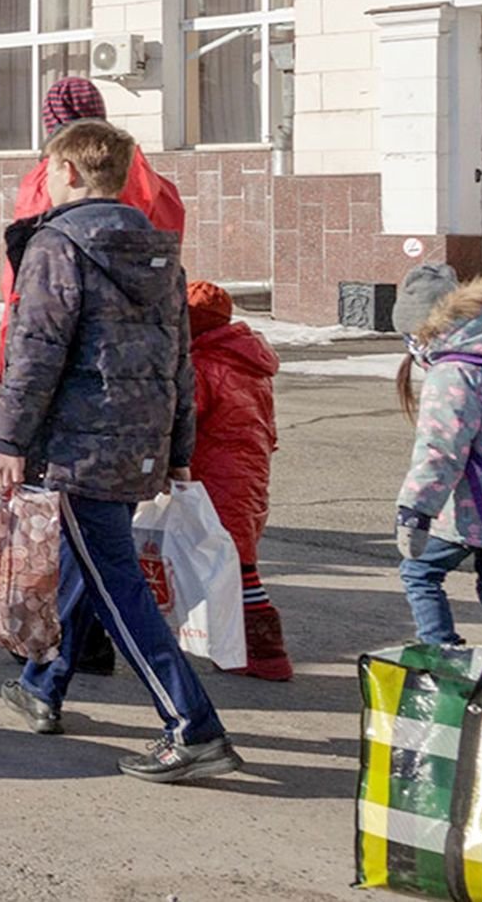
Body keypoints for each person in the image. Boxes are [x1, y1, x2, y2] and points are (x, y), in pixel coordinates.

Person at [0, 119, 239, 784]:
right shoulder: (159, 248)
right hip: (138, 443)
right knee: (89, 563)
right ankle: (43, 682)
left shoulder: (57, 244)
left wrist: (9, 439)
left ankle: (192, 726)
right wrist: (179, 444)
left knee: (116, 584)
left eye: (47, 170)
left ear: (67, 171)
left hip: (81, 444)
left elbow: (34, 351)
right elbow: (178, 358)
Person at [0, 78, 186, 381]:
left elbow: (28, 287)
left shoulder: (52, 180)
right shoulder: (149, 179)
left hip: (75, 364)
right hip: (148, 366)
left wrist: (9, 359)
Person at [390, 265, 482, 647]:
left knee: (419, 572)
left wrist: (414, 511)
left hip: (469, 510)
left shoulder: (454, 370)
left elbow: (440, 451)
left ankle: (440, 654)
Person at [186, 280, 291, 680]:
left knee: (236, 567)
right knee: (235, 560)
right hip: (249, 473)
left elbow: (188, 414)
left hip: (214, 476)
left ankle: (266, 653)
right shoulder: (249, 362)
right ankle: (241, 648)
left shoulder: (204, 365)